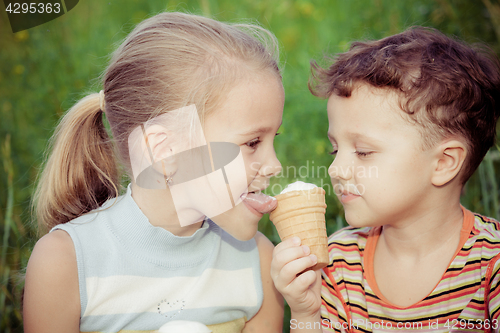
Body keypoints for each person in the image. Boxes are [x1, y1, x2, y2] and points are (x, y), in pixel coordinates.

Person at [23, 12, 285, 333]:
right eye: (252, 142)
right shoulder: (64, 264)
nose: (274, 165)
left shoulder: (258, 263)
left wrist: (307, 312)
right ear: (164, 150)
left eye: (274, 139)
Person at [271, 26, 500, 332]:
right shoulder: (338, 263)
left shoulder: (491, 265)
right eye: (334, 149)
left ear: (444, 163)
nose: (336, 169)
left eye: (363, 152)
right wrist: (306, 313)